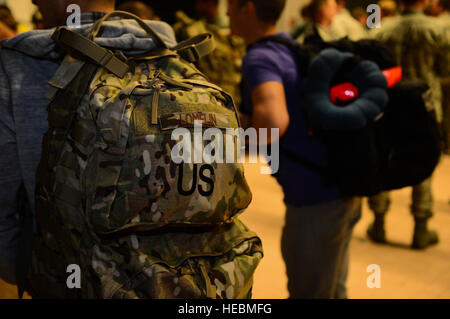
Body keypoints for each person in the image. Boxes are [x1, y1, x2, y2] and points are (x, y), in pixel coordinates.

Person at [0, 0, 175, 287]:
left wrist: (21, 271)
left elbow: (3, 201)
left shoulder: (18, 65)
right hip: (172, 278)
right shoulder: (175, 56)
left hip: (68, 279)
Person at [228, 0, 362, 298]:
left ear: (247, 8)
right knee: (332, 289)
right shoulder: (288, 45)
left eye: (230, 6)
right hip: (339, 186)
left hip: (314, 201)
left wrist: (226, 145)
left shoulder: (259, 57)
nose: (226, 14)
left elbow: (274, 121)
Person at [368, 0, 450, 249]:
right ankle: (420, 228)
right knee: (423, 163)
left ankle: (379, 222)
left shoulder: (382, 30)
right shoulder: (436, 30)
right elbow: (446, 69)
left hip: (389, 104)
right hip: (425, 106)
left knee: (384, 160)